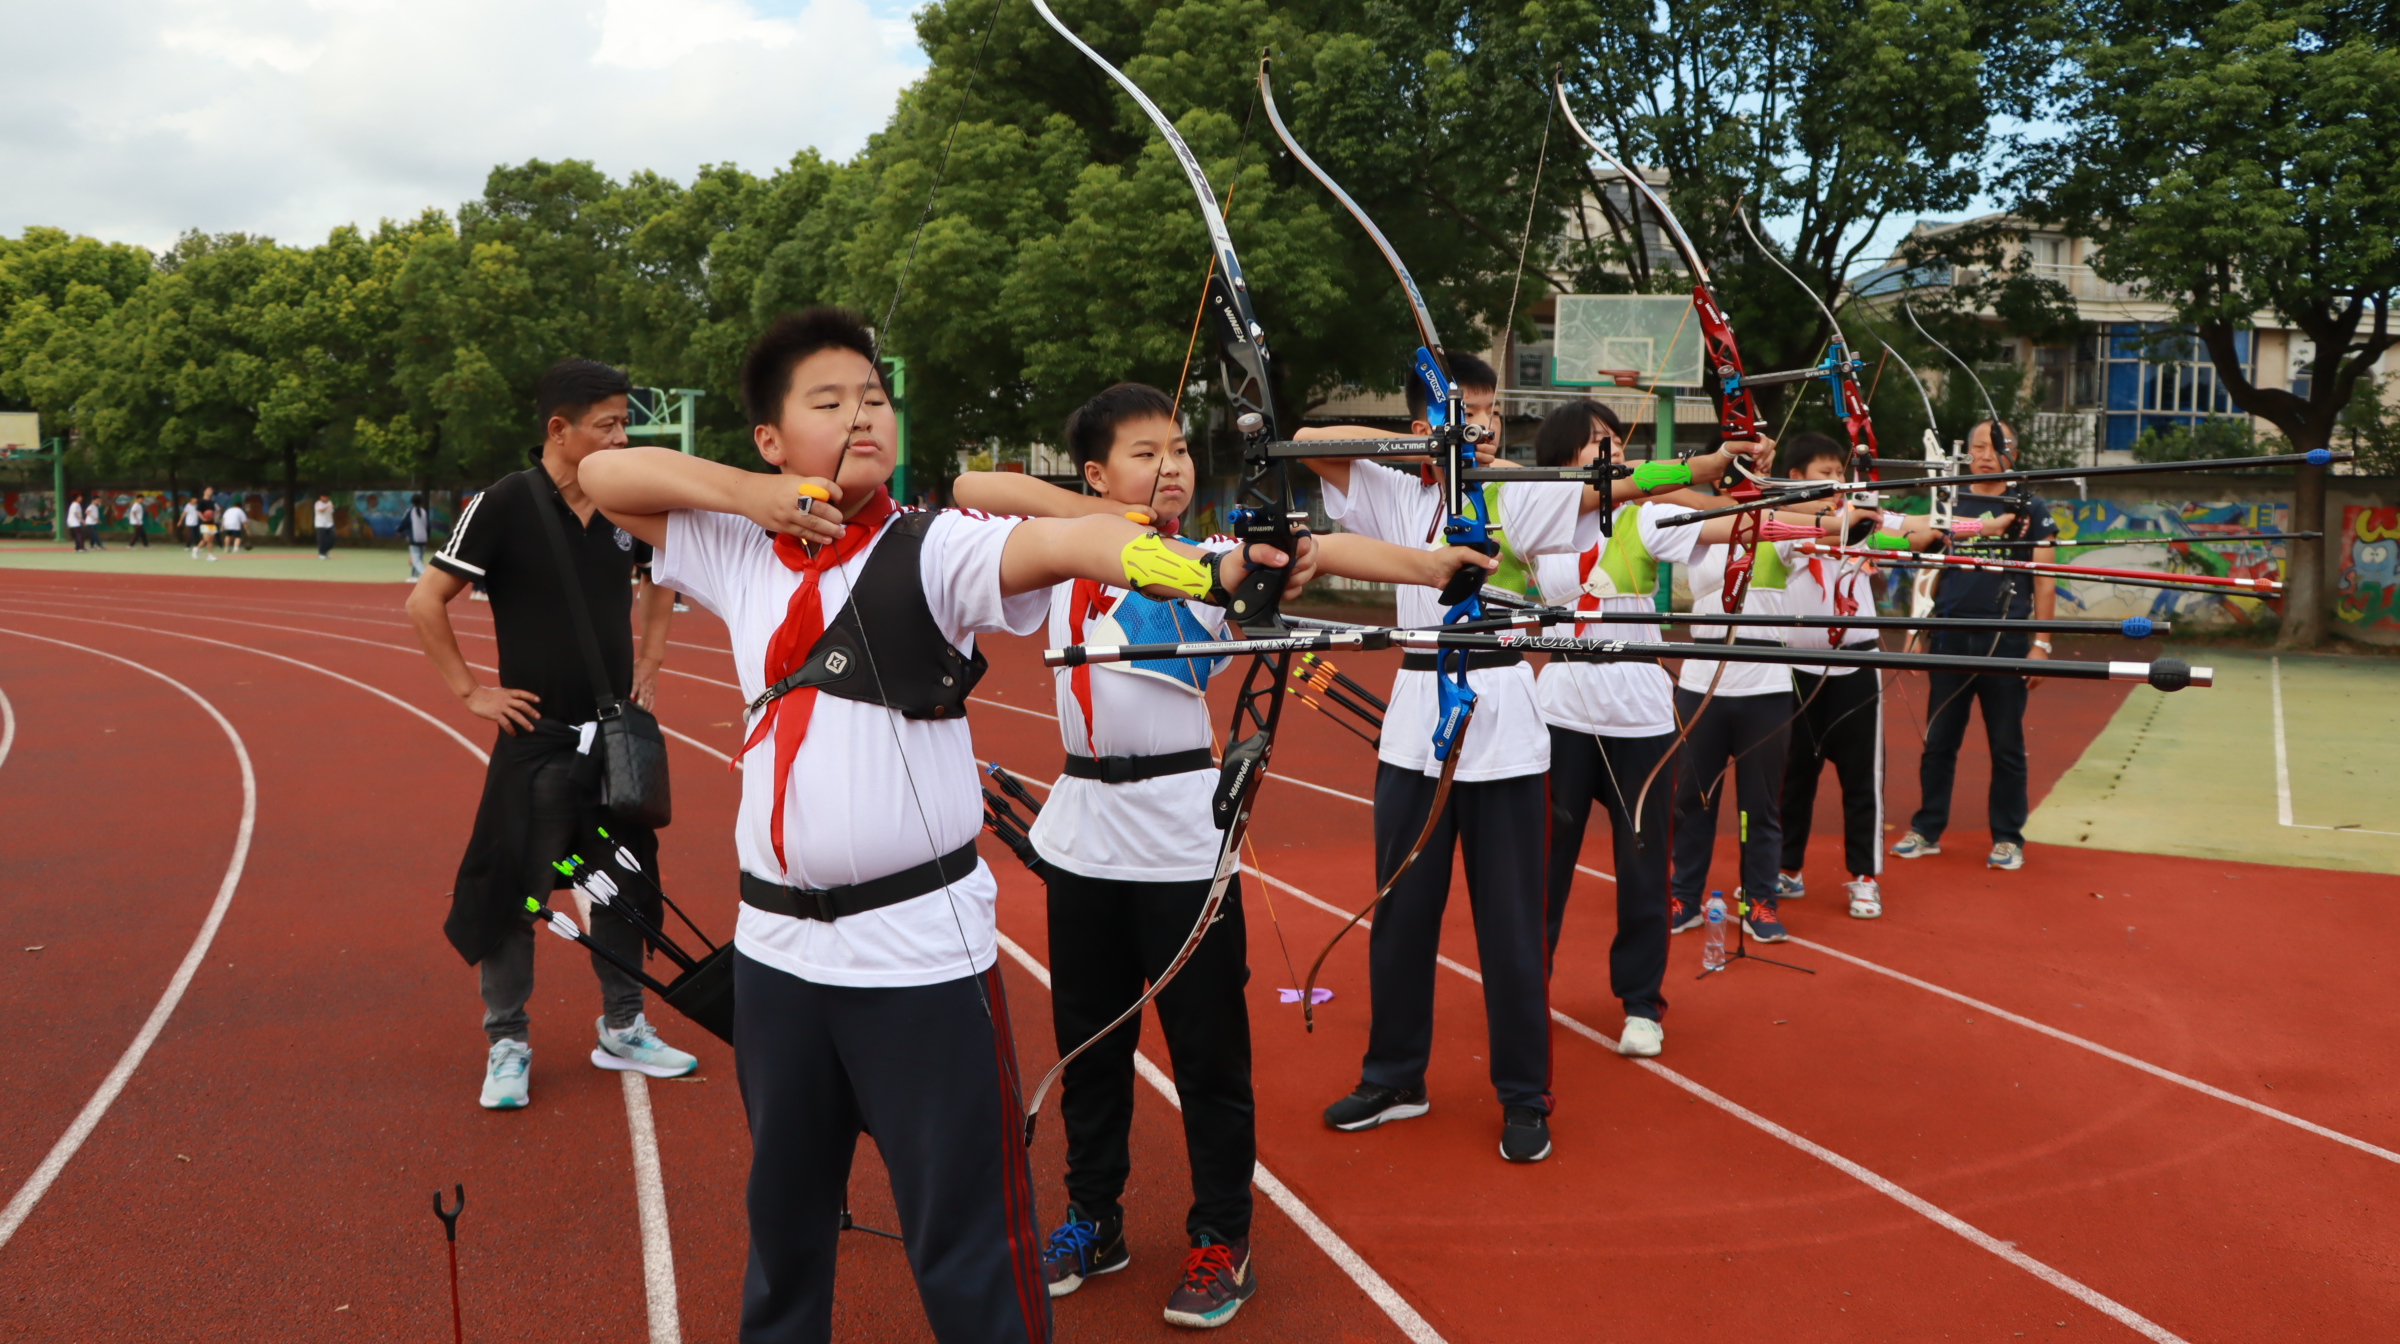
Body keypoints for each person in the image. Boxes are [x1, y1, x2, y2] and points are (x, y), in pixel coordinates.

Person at [581, 307, 1315, 1344]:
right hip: (781, 954)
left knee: (966, 1244)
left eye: (873, 399)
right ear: (770, 439)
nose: (862, 417)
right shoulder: (740, 550)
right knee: (786, 1229)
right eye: (828, 403)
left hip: (916, 957)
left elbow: (1071, 538)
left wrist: (1213, 571)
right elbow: (605, 477)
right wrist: (754, 499)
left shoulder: (935, 552)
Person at [952, 384, 1493, 1326]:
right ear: (1093, 472)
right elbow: (975, 483)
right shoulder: (1060, 563)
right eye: (1142, 453)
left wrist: (1433, 563)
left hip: (1179, 843)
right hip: (1083, 836)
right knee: (1091, 1048)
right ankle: (1094, 1216)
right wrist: (1100, 520)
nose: (1170, 467)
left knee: (1207, 1056)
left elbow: (1315, 552)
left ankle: (1221, 1236)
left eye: (1178, 451)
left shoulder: (1211, 562)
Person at [1291, 353, 1651, 1165]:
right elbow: (1311, 439)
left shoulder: (1514, 486)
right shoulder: (1393, 486)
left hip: (1508, 726)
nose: (1483, 423)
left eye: (1489, 409)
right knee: (1403, 917)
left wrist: (1692, 466)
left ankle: (1524, 1095)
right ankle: (1395, 1078)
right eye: (1465, 411)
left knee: (1513, 932)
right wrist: (1421, 449)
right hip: (1418, 719)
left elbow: (1609, 489)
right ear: (1425, 423)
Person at [408, 357, 691, 1115]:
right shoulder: (505, 503)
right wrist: (472, 691)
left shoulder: (628, 505)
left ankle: (624, 1026)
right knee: (514, 893)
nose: (622, 437)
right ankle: (508, 1041)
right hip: (536, 737)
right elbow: (425, 601)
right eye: (608, 424)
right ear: (559, 430)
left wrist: (653, 657)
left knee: (625, 882)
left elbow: (663, 574)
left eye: (626, 422)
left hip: (613, 739)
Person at [1529, 404, 1811, 1057]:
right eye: (1595, 444)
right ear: (1563, 457)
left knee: (1644, 866)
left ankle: (1640, 1005)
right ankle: (1527, 988)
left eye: (1613, 441)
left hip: (1641, 720)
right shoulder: (1534, 516)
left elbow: (1742, 523)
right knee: (1543, 869)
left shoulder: (1646, 514)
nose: (1612, 453)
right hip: (1560, 714)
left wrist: (1826, 514)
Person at [1894, 419, 2056, 870]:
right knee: (1939, 739)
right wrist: (1914, 631)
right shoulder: (1948, 500)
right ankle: (1927, 828)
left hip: (2006, 642)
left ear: (2014, 454)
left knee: (2006, 744)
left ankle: (2008, 837)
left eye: (1995, 446)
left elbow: (2045, 580)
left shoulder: (2031, 508)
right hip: (1949, 635)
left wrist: (2041, 644)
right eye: (1977, 446)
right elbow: (1928, 566)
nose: (1985, 454)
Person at [402, 493, 433, 580]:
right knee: (420, 558)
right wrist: (428, 537)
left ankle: (425, 574)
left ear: (412, 502)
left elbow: (404, 523)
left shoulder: (410, 511)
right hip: (424, 539)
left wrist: (399, 530)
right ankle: (414, 577)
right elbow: (428, 526)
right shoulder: (424, 512)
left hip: (414, 539)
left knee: (415, 559)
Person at [314, 494, 337, 558]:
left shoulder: (330, 502)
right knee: (322, 539)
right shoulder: (318, 503)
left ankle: (326, 551)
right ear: (320, 497)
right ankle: (321, 554)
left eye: (325, 497)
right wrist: (327, 506)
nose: (324, 498)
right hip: (320, 524)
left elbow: (331, 512)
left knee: (333, 537)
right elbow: (321, 510)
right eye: (323, 496)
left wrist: (330, 506)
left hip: (329, 524)